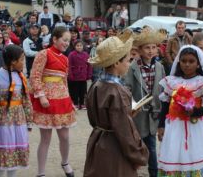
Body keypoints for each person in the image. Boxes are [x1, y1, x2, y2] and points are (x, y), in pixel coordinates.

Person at [84, 30, 149, 177]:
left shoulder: (96, 85)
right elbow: (124, 130)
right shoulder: (117, 91)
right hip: (115, 147)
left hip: (98, 141)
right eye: (127, 60)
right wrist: (138, 154)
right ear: (116, 62)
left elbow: (93, 118)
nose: (129, 64)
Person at [157, 45, 203, 176]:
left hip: (195, 128)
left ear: (198, 64)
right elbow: (165, 105)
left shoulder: (202, 82)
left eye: (191, 61)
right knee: (175, 154)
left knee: (193, 154)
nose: (187, 64)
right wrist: (161, 125)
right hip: (174, 127)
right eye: (183, 61)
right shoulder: (172, 82)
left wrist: (194, 112)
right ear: (179, 63)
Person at [29, 27, 76, 177]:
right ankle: (41, 173)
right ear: (54, 39)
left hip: (62, 100)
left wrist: (70, 99)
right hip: (47, 102)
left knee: (65, 136)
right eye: (64, 40)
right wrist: (41, 95)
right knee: (46, 139)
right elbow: (35, 76)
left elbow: (64, 81)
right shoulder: (43, 54)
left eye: (69, 41)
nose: (67, 43)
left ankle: (65, 162)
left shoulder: (65, 58)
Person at [0, 45, 32, 177]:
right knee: (1, 156)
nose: (23, 63)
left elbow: (26, 99)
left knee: (14, 155)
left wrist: (29, 120)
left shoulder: (21, 77)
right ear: (13, 61)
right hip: (0, 121)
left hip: (18, 120)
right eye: (22, 60)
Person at [124, 29, 166, 177]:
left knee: (152, 147)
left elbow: (163, 90)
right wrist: (133, 105)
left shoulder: (160, 67)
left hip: (153, 115)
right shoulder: (132, 68)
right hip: (138, 115)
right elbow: (127, 89)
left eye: (153, 47)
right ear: (140, 49)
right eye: (147, 47)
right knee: (135, 146)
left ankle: (153, 173)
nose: (151, 50)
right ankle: (131, 171)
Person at [68, 40, 92, 110]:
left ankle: (82, 103)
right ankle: (75, 103)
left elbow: (89, 65)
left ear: (83, 46)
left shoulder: (86, 54)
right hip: (75, 76)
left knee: (83, 90)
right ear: (75, 46)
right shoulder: (71, 54)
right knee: (75, 90)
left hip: (83, 75)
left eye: (80, 46)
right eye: (77, 46)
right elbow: (69, 65)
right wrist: (70, 75)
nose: (79, 47)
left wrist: (89, 74)